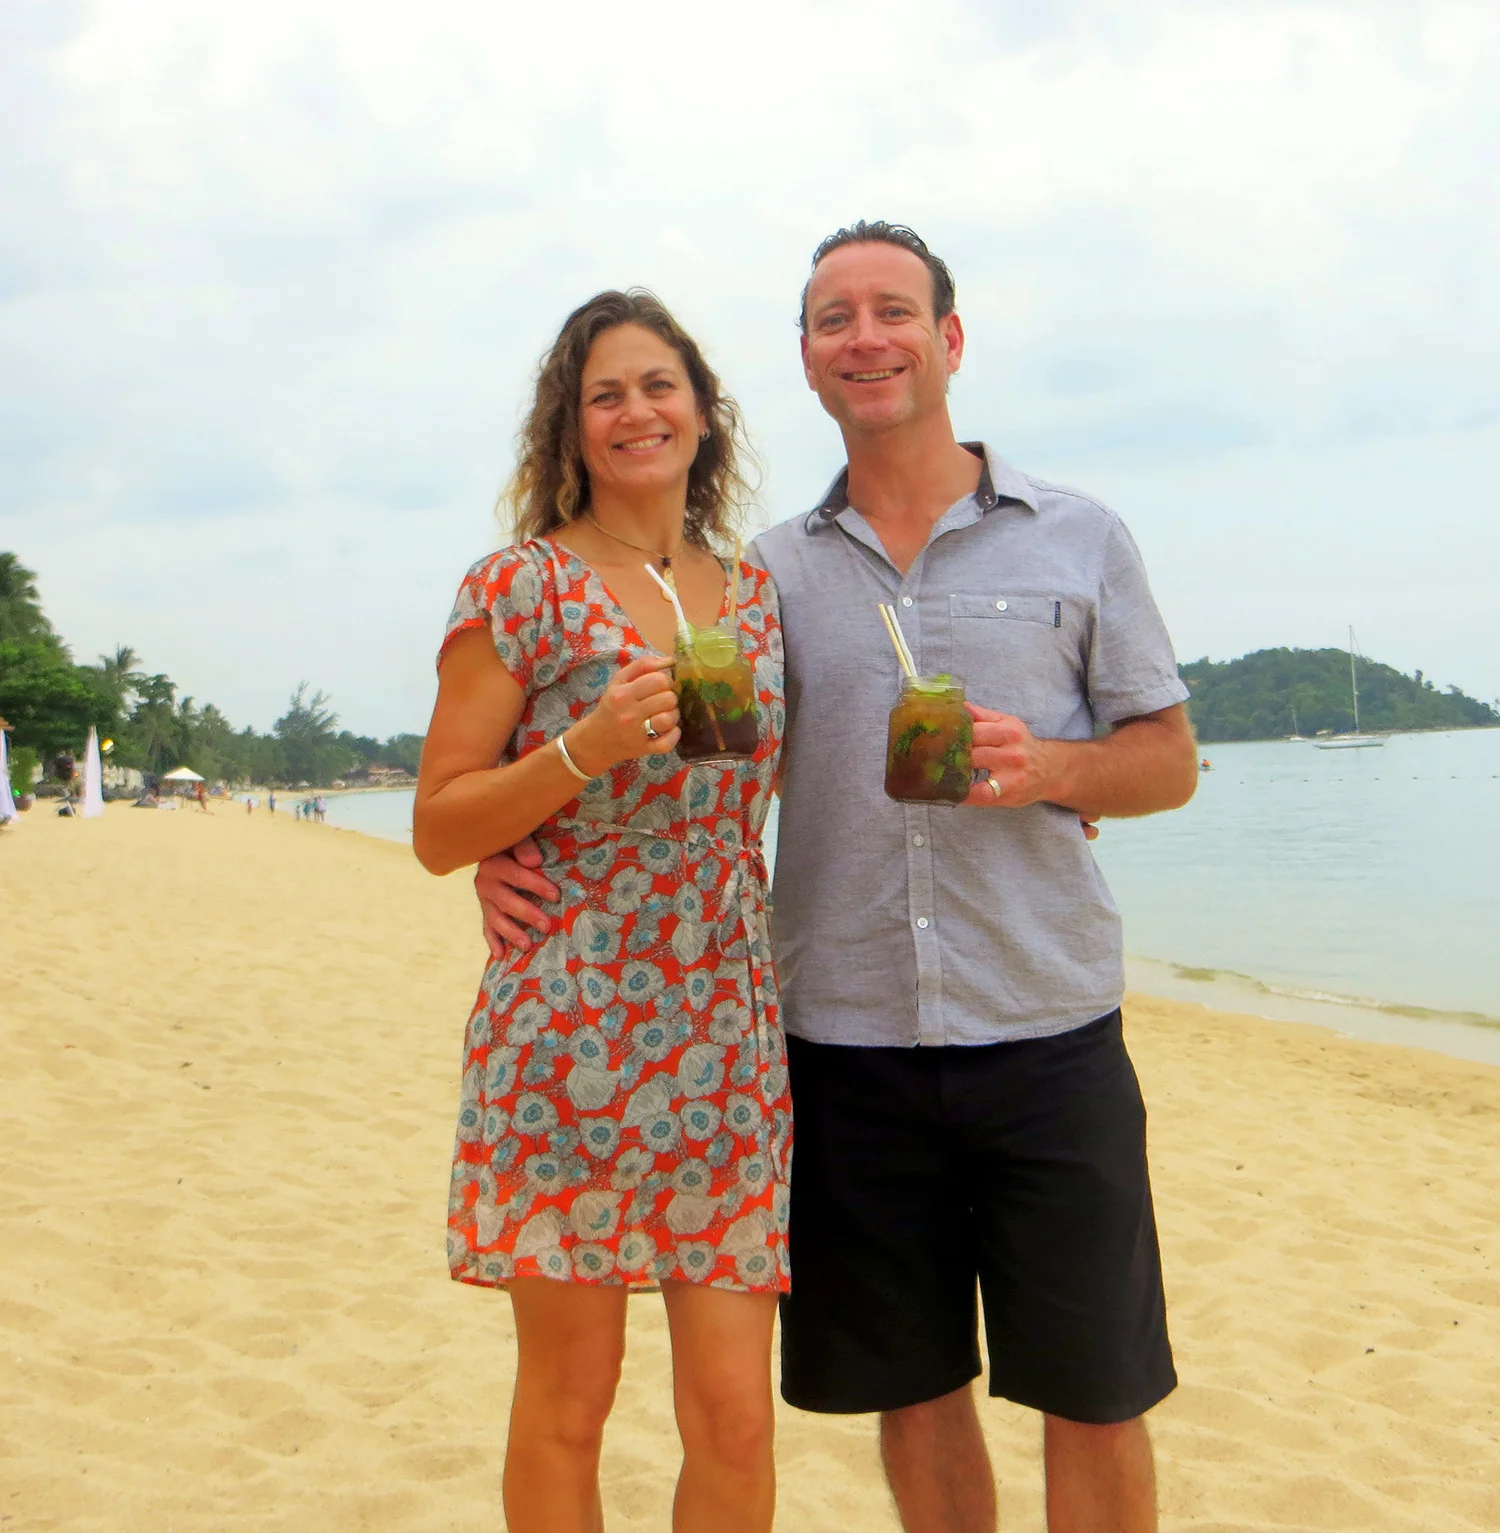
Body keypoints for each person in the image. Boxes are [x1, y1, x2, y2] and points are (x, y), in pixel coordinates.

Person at [476, 224, 1200, 1533]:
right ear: (806, 363)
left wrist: (1053, 769)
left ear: (948, 338)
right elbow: (684, 779)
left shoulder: (1082, 537)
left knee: (1094, 1391)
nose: (865, 336)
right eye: (832, 318)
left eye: (893, 310)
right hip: (844, 1044)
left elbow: (1168, 763)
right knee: (913, 1391)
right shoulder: (769, 581)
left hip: (1048, 1030)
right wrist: (510, 850)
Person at [413, 289, 789, 1533]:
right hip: (567, 1032)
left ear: (702, 410)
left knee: (735, 1414)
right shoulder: (519, 586)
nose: (637, 412)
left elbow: (782, 798)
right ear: (570, 430)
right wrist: (578, 751)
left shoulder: (756, 595)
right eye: (606, 395)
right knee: (571, 1399)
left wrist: (1049, 794)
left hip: (729, 1040)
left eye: (659, 386)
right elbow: (436, 823)